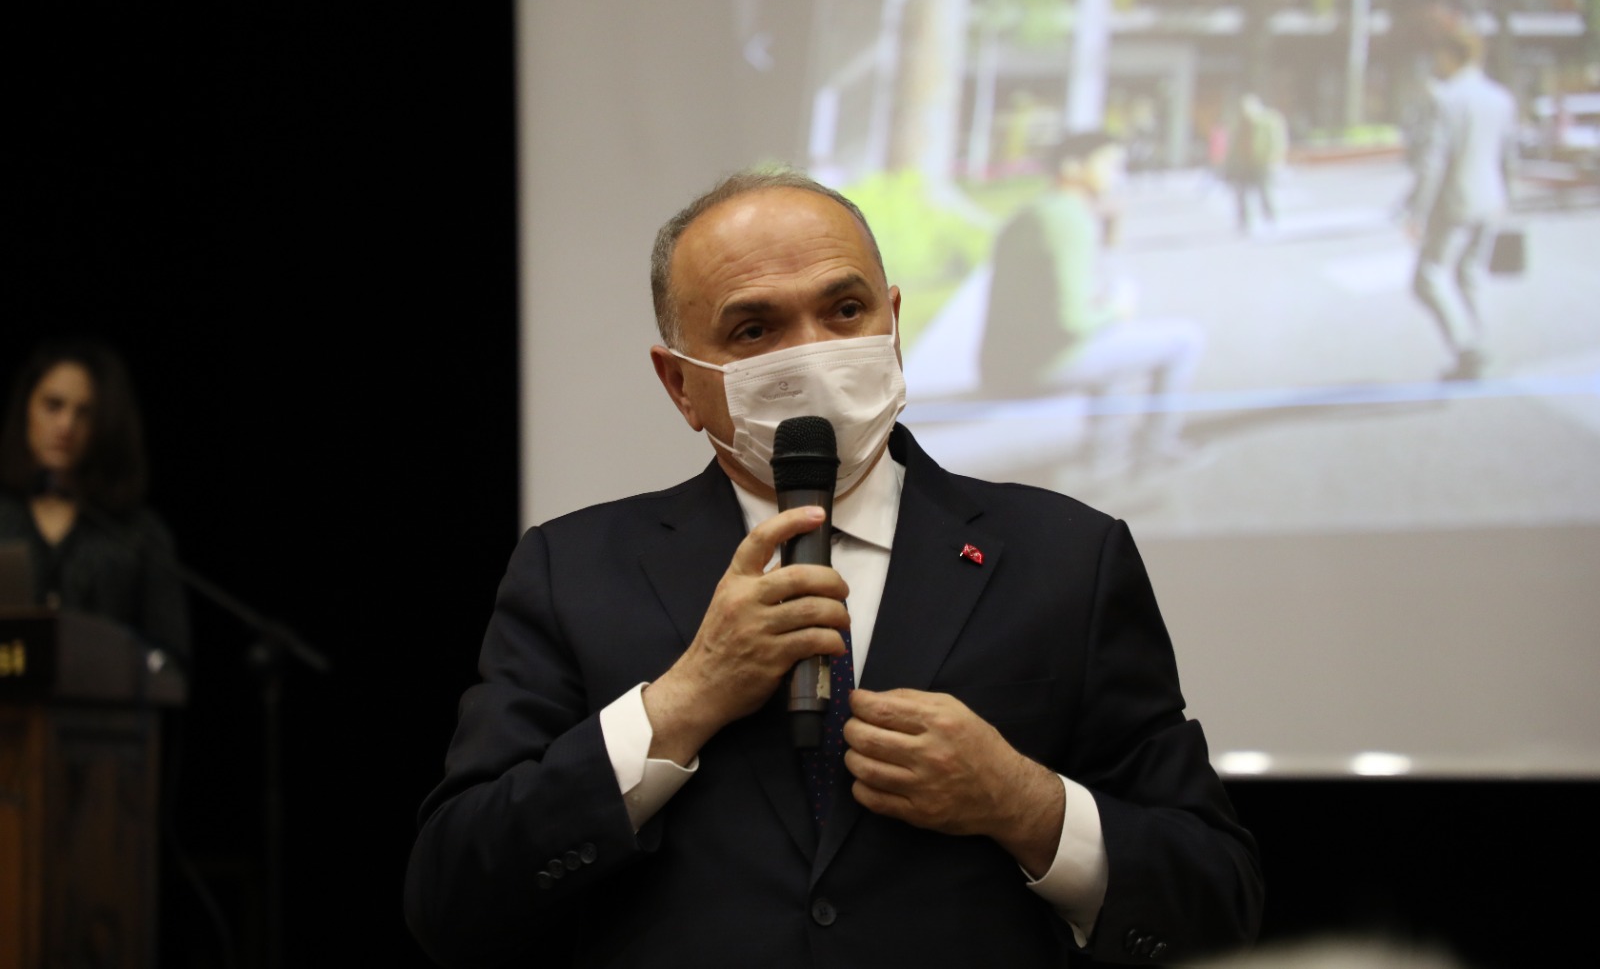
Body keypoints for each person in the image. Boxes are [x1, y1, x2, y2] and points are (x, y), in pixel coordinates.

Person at [404, 168, 1263, 967]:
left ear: (893, 325)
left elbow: (1217, 901)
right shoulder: (573, 570)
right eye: (754, 329)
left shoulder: (1068, 557)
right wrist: (680, 705)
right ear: (680, 385)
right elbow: (452, 895)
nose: (813, 353)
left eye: (845, 310)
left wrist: (1024, 803)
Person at [977, 131, 1207, 475]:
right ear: (1072, 167)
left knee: (1113, 346)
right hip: (1039, 368)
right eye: (1110, 164)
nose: (1118, 174)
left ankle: (1105, 455)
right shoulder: (1069, 218)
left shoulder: (1038, 212)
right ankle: (1155, 448)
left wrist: (1107, 237)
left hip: (1002, 363)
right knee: (1185, 339)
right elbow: (1073, 322)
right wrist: (1118, 310)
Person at [0, 337, 191, 668]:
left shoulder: (138, 533)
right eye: (53, 405)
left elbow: (170, 659)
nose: (66, 425)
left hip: (105, 699)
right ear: (26, 408)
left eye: (84, 413)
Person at [1405, 20, 1518, 382]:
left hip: (1454, 201)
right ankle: (1478, 343)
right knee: (1469, 275)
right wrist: (1507, 197)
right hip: (1490, 199)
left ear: (1450, 56)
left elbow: (1432, 161)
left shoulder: (1445, 98)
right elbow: (1508, 155)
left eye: (1438, 55)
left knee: (1427, 278)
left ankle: (1467, 348)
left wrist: (1417, 211)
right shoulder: (1500, 98)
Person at [1224, 93, 1288, 236]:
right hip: (1243, 162)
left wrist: (1274, 158)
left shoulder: (1269, 120)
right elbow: (1233, 144)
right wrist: (1230, 162)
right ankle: (1243, 221)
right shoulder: (1240, 123)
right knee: (1241, 192)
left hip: (1261, 162)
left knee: (1264, 191)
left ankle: (1270, 218)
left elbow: (1277, 141)